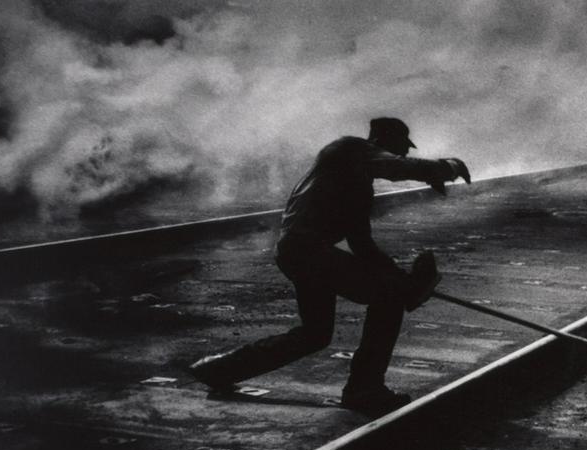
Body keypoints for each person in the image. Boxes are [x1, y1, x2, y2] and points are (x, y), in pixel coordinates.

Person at [187, 117, 470, 416]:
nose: (405, 153)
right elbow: (395, 167)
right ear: (382, 142)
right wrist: (446, 168)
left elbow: (362, 244)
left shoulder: (360, 187)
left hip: (302, 253)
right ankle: (365, 389)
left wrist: (395, 274)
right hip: (307, 251)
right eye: (401, 147)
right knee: (387, 299)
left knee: (316, 334)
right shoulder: (348, 149)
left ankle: (219, 369)